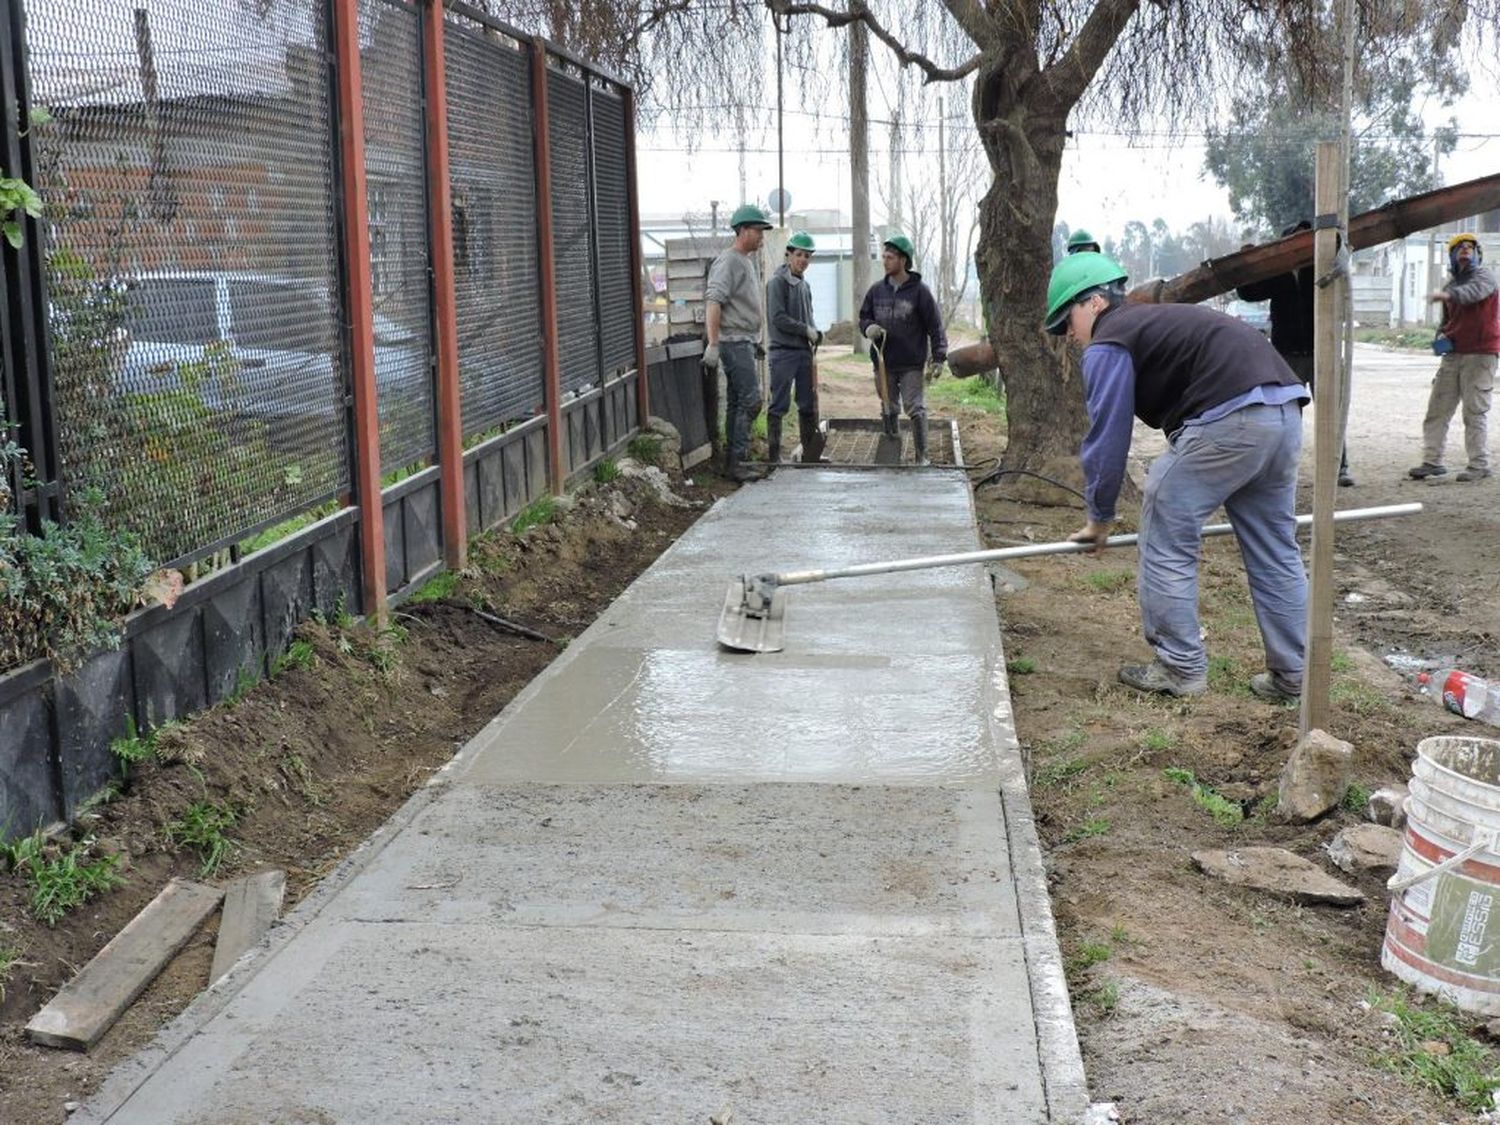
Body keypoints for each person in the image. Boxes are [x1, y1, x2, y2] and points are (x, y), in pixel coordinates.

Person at [1045, 251, 1311, 702]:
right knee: (1274, 548)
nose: (1069, 335)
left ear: (1094, 303)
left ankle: (1179, 667)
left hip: (1231, 416)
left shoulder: (1110, 341)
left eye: (1066, 319)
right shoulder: (1156, 321)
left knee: (1166, 527)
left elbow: (1108, 437)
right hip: (1283, 412)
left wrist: (1100, 517)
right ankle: (1293, 678)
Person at [1235, 219, 1354, 487]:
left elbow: (1344, 277)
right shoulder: (1278, 275)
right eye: (1295, 241)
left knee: (1331, 413)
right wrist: (1246, 263)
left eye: (1306, 239)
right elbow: (1248, 293)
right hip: (1287, 355)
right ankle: (1281, 468)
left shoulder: (1323, 269)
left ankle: (1340, 467)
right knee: (1285, 415)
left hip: (1322, 352)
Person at [1408, 232, 1497, 483]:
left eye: (1470, 247)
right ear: (1452, 255)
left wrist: (1447, 296)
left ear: (1478, 254)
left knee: (1474, 411)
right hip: (1454, 354)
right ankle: (1432, 462)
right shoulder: (1451, 285)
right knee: (1437, 409)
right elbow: (1447, 321)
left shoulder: (1485, 277)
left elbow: (1473, 293)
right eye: (1459, 247)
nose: (1465, 250)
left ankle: (1479, 465)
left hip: (1480, 353)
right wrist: (1440, 338)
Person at [858, 233, 948, 465]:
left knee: (915, 406)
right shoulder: (876, 291)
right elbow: (864, 317)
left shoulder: (920, 292)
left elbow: (935, 326)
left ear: (904, 261)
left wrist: (938, 356)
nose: (885, 261)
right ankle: (892, 451)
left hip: (911, 362)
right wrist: (868, 328)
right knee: (888, 404)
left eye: (890, 257)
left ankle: (922, 456)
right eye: (884, 257)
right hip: (883, 361)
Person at [703, 203, 774, 483]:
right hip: (733, 342)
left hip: (742, 341)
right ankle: (738, 460)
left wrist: (753, 339)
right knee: (750, 400)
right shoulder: (729, 261)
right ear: (743, 230)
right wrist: (713, 343)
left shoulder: (744, 260)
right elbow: (714, 301)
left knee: (736, 401)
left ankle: (733, 460)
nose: (761, 237)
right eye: (758, 231)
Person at [765, 230, 823, 463]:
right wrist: (804, 330)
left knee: (807, 403)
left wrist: (815, 332)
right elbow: (778, 317)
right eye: (799, 255)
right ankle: (773, 457)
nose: (803, 260)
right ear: (788, 255)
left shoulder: (804, 285)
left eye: (807, 256)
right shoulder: (777, 283)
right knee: (779, 404)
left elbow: (808, 317)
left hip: (803, 353)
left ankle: (809, 454)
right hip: (783, 353)